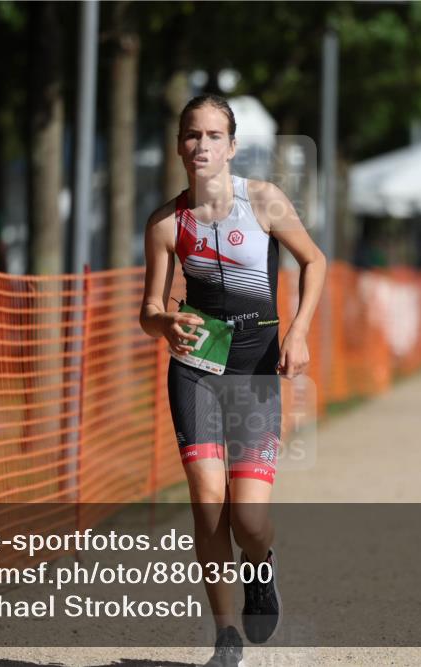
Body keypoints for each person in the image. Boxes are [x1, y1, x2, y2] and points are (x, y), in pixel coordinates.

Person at [139, 94, 326, 667]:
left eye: (214, 135)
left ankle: (260, 565)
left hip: (254, 369)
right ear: (178, 145)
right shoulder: (167, 223)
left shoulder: (263, 201)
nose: (202, 146)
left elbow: (314, 261)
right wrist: (166, 322)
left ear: (232, 146)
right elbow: (147, 311)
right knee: (207, 504)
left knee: (249, 520)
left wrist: (297, 333)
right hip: (196, 369)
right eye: (192, 135)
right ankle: (225, 636)